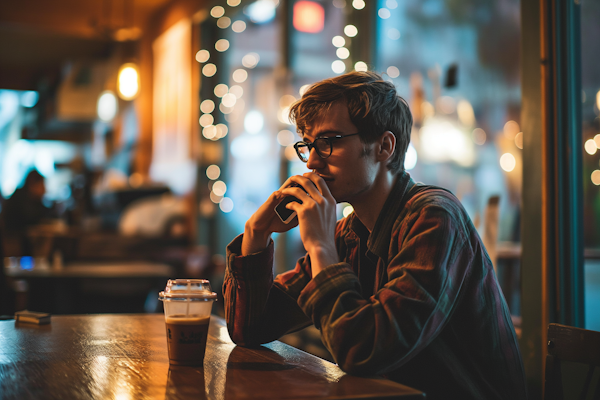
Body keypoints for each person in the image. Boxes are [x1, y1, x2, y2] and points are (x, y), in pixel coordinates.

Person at [223, 71, 527, 400]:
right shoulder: (351, 233)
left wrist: (321, 247)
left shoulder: (435, 217)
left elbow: (363, 352)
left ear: (383, 146)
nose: (311, 161)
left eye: (328, 142)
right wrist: (257, 233)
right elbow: (249, 328)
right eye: (309, 145)